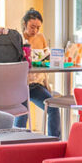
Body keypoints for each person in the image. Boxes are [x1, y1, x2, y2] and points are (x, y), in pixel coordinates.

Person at [13, 8, 61, 137]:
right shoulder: (17, 38)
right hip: (21, 85)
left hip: (36, 85)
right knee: (23, 112)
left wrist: (47, 85)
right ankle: (15, 143)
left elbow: (46, 58)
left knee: (52, 107)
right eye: (32, 27)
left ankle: (55, 141)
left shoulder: (41, 37)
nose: (35, 30)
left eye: (38, 27)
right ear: (25, 24)